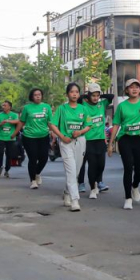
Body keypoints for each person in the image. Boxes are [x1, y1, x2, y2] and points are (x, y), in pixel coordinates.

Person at [109, 78, 140, 209]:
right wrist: (111, 143)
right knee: (128, 167)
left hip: (139, 139)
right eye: (131, 87)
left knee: (139, 169)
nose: (134, 89)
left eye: (136, 87)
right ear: (126, 90)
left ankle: (135, 186)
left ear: (139, 90)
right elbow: (116, 125)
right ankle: (128, 198)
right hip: (125, 139)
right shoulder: (122, 106)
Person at [53, 83, 91, 211]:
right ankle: (75, 200)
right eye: (71, 92)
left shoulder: (84, 109)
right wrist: (62, 136)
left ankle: (67, 191)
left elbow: (89, 124)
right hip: (66, 142)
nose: (74, 94)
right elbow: (52, 124)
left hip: (80, 141)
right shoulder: (62, 108)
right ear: (67, 94)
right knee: (71, 170)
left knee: (76, 171)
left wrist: (80, 132)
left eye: (76, 92)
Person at [18, 88, 55, 190]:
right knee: (33, 158)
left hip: (43, 136)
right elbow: (22, 121)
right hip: (29, 136)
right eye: (35, 95)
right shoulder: (27, 108)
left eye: (39, 94)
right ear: (32, 96)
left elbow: (50, 122)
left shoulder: (46, 107)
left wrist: (53, 132)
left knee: (44, 158)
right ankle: (33, 180)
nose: (38, 96)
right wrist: (15, 133)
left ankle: (37, 173)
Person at [80, 82, 110, 198]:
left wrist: (100, 95)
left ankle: (98, 182)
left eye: (97, 95)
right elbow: (79, 98)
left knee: (101, 165)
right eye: (93, 95)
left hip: (101, 139)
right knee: (92, 165)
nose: (96, 98)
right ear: (89, 95)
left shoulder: (102, 104)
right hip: (88, 140)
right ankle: (93, 188)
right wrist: (86, 96)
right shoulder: (84, 105)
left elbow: (111, 96)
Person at [0, 100, 19, 178]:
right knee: (0, 152)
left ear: (9, 107)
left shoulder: (14, 115)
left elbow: (18, 121)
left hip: (11, 137)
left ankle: (7, 170)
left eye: (5, 105)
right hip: (1, 137)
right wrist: (0, 124)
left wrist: (8, 121)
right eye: (3, 105)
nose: (3, 107)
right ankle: (0, 166)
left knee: (9, 154)